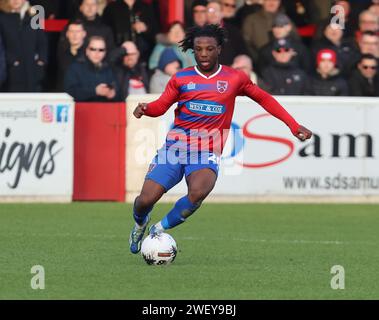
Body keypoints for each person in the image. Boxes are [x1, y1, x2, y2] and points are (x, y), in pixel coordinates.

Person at [128, 24, 312, 254]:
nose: (204, 54)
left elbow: (265, 99)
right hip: (174, 148)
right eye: (198, 49)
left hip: (206, 150)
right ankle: (140, 224)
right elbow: (161, 107)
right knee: (145, 200)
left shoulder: (234, 78)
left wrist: (293, 125)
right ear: (192, 51)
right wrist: (146, 108)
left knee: (198, 192)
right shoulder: (181, 78)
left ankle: (157, 230)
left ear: (219, 49)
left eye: (209, 49)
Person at [0, 0, 48, 92]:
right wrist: (11, 60)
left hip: (33, 68)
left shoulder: (34, 17)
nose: (15, 1)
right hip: (12, 70)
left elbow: (42, 41)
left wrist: (41, 61)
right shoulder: (2, 19)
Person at [64, 36, 120, 101]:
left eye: (101, 50)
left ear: (105, 53)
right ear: (87, 51)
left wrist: (113, 94)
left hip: (105, 109)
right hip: (81, 110)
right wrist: (95, 91)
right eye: (93, 49)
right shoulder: (74, 68)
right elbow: (70, 92)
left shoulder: (109, 70)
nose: (97, 53)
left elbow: (119, 93)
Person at [206, 0, 249, 66]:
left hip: (229, 71)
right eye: (210, 10)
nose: (213, 13)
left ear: (221, 13)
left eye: (216, 10)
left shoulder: (234, 32)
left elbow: (243, 54)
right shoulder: (198, 32)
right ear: (206, 14)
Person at [56, 19, 87, 91]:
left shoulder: (90, 54)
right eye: (72, 31)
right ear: (67, 34)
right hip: (64, 95)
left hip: (85, 96)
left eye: (78, 31)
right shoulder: (61, 54)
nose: (75, 35)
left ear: (84, 34)